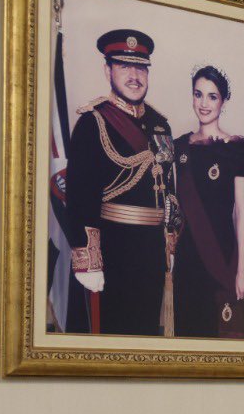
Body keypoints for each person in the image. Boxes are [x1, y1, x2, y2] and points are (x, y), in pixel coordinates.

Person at [63, 29, 178, 335]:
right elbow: (79, 197)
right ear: (108, 71)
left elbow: (169, 190)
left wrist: (170, 243)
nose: (134, 76)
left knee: (144, 336)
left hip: (151, 253)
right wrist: (88, 261)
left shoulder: (160, 124)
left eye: (140, 68)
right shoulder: (93, 122)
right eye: (124, 66)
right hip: (113, 252)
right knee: (112, 337)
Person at [172, 65, 244, 338]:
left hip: (222, 255)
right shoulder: (179, 147)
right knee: (189, 331)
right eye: (198, 94)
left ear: (223, 101)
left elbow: (241, 213)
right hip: (187, 256)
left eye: (212, 96)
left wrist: (242, 268)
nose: (204, 103)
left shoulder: (238, 149)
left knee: (221, 333)